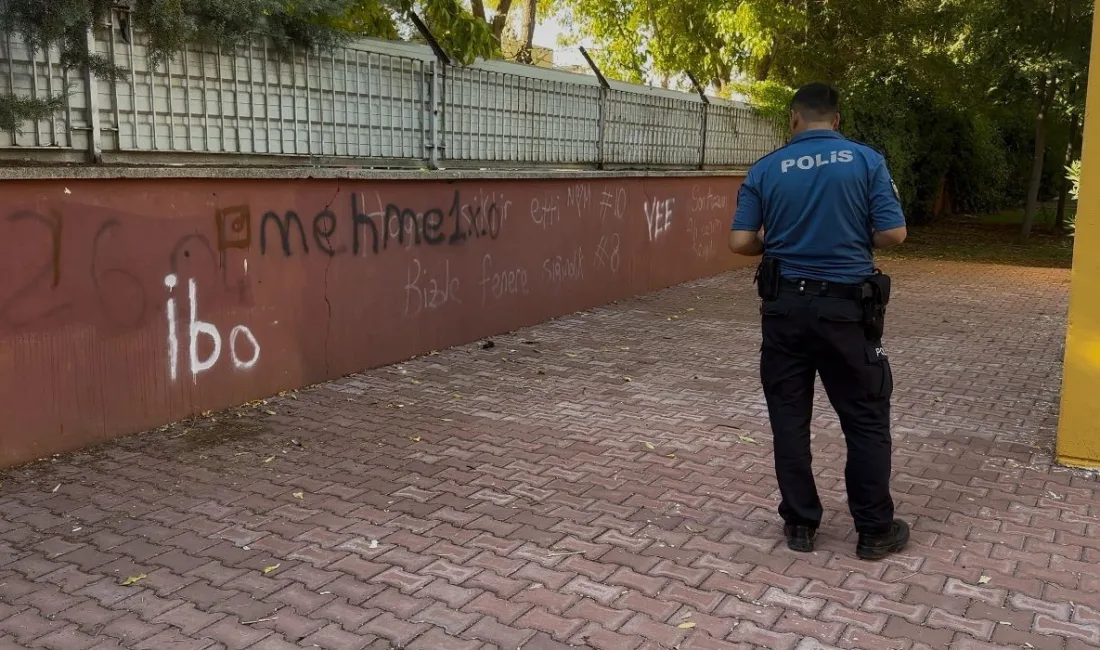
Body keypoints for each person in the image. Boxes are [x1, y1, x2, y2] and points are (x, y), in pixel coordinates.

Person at [727, 82, 910, 561]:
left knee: (789, 419)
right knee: (866, 419)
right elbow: (893, 233)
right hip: (847, 312)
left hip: (784, 309)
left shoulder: (766, 168)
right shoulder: (866, 161)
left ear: (793, 119)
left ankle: (800, 525)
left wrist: (782, 241)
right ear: (837, 119)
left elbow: (741, 241)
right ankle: (874, 531)